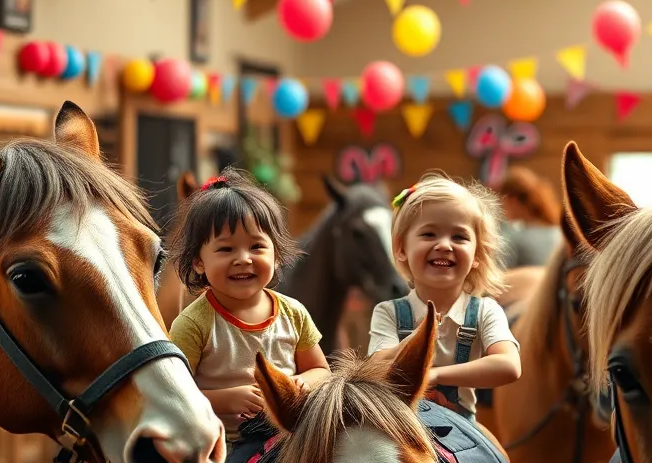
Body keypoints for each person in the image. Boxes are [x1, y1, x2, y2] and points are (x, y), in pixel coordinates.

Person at [168, 169, 330, 442]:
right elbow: (171, 393)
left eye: (256, 247)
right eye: (226, 249)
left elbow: (322, 371)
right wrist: (225, 399)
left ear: (276, 255)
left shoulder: (293, 313)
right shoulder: (194, 324)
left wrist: (303, 383)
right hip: (223, 444)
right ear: (198, 262)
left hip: (290, 440)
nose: (243, 259)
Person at [368, 172, 522, 419]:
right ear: (401, 248)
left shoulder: (484, 311)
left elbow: (509, 366)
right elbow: (375, 367)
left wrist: (437, 374)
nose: (444, 245)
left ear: (478, 255)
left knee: (497, 458)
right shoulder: (389, 312)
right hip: (401, 425)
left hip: (462, 428)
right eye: (429, 234)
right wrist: (418, 339)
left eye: (459, 237)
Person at [498, 166, 563, 268]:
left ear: (513, 200)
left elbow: (500, 273)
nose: (503, 207)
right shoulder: (559, 233)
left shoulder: (515, 237)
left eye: (503, 201)